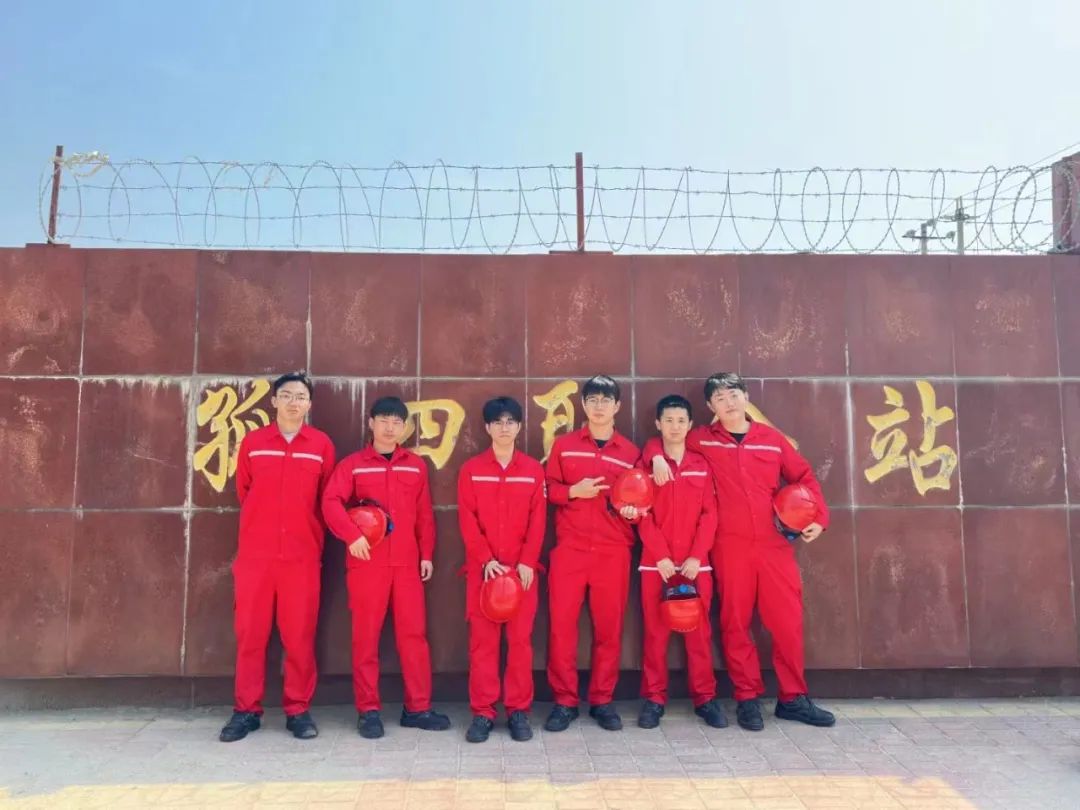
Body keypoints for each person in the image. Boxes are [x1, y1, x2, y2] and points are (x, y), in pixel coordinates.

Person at [647, 372, 835, 731]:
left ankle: (793, 698)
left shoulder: (772, 440)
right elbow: (667, 439)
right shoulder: (703, 439)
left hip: (774, 546)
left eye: (733, 395)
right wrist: (656, 455)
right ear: (710, 406)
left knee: (787, 623)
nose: (729, 403)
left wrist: (818, 518)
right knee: (735, 622)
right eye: (719, 398)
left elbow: (805, 477)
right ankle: (747, 697)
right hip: (729, 547)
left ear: (746, 397)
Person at [321, 396, 450, 739]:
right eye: (384, 420)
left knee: (414, 637)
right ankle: (368, 711)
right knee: (366, 637)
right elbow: (330, 501)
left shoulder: (415, 466)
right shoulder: (353, 465)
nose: (390, 428)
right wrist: (351, 535)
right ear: (371, 423)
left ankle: (418, 708)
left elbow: (424, 513)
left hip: (407, 564)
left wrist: (426, 553)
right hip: (367, 564)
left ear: (404, 427)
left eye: (397, 422)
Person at [220, 372, 335, 743]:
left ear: (309, 404)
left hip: (302, 557)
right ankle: (246, 711)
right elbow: (245, 490)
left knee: (299, 637)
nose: (293, 402)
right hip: (257, 557)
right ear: (273, 401)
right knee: (250, 635)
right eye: (286, 395)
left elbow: (326, 499)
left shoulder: (320, 445)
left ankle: (298, 709)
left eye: (300, 396)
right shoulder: (254, 443)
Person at [544, 375, 640, 732]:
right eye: (593, 400)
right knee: (562, 628)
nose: (599, 406)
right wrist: (573, 491)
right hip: (570, 550)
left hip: (613, 551)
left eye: (606, 400)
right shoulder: (565, 446)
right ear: (583, 404)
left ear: (617, 406)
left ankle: (602, 700)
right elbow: (547, 488)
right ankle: (564, 702)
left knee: (608, 629)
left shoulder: (631, 453)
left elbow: (641, 502)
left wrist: (633, 512)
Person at [631, 395, 726, 730]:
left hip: (695, 566)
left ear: (690, 425)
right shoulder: (645, 466)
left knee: (698, 635)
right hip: (655, 566)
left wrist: (696, 556)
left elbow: (710, 515)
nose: (675, 427)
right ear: (658, 424)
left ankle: (705, 698)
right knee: (655, 635)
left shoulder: (701, 464)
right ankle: (654, 699)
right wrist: (661, 556)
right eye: (668, 420)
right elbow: (642, 514)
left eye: (681, 421)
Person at [457, 397, 546, 743]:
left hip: (522, 574)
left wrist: (527, 561)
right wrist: (485, 558)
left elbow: (538, 520)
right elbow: (467, 518)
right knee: (483, 645)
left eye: (510, 421)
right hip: (484, 573)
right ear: (487, 427)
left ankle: (518, 710)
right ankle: (483, 712)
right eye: (497, 422)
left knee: (520, 643)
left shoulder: (533, 470)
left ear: (520, 427)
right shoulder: (472, 469)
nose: (504, 427)